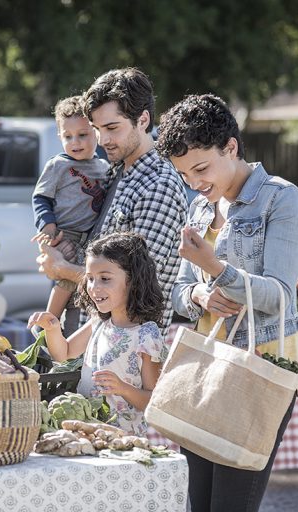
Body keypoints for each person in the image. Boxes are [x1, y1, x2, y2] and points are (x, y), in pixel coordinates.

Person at [156, 93, 298, 512]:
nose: (195, 183)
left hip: (257, 367)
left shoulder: (281, 199)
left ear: (230, 147)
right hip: (206, 366)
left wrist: (216, 268)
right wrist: (199, 293)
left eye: (201, 169)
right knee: (198, 504)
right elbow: (180, 291)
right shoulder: (200, 207)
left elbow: (280, 297)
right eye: (184, 174)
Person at [35, 67, 188, 347]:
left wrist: (62, 269)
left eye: (112, 128)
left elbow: (137, 286)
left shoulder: (158, 186)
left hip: (126, 356)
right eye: (97, 129)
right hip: (90, 340)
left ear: (143, 120)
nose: (103, 140)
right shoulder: (114, 170)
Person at [28, 231, 164, 435]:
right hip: (88, 430)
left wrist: (123, 388)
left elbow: (154, 401)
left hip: (122, 439)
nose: (94, 287)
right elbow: (64, 354)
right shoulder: (99, 322)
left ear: (133, 280)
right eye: (90, 278)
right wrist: (52, 328)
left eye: (105, 279)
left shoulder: (147, 336)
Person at [31, 95, 109, 334]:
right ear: (60, 137)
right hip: (64, 235)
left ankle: (68, 335)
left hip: (90, 240)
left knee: (80, 294)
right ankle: (47, 324)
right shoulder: (58, 165)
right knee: (67, 280)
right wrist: (48, 226)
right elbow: (41, 198)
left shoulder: (105, 168)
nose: (75, 142)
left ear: (96, 132)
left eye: (83, 135)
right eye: (68, 136)